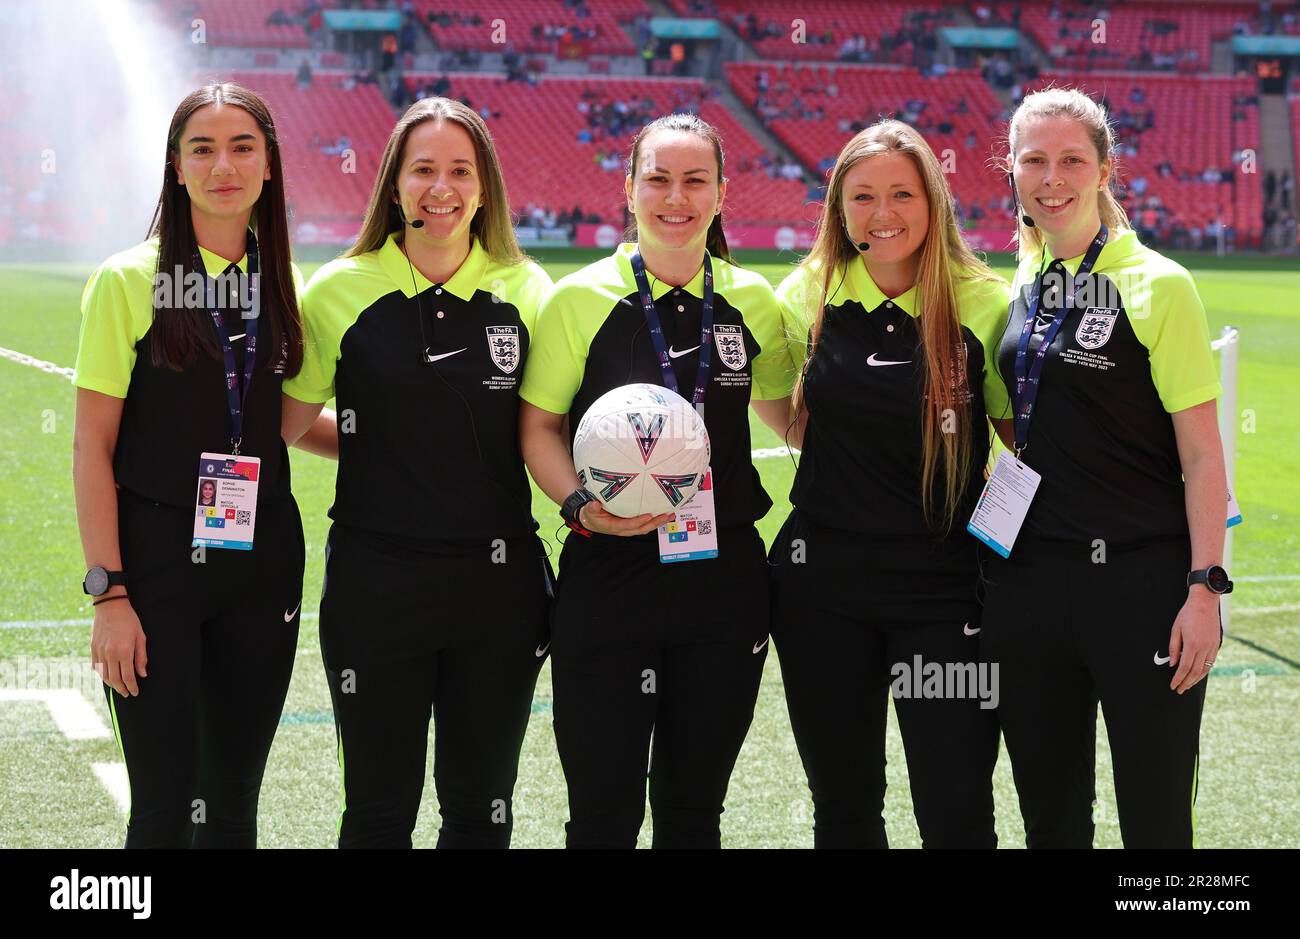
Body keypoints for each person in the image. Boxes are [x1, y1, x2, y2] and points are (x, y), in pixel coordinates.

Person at [280, 98, 554, 849]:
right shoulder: (338, 289)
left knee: (480, 807)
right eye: (423, 169)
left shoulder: (529, 291)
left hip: (497, 588)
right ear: (394, 185)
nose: (442, 187)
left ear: (485, 184)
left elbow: (545, 433)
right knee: (376, 810)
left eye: (460, 170)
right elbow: (289, 424)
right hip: (376, 586)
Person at [519, 113, 795, 848]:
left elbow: (793, 418)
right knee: (603, 815)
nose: (677, 197)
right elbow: (538, 426)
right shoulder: (578, 299)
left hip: (722, 575)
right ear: (630, 189)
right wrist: (581, 507)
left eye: (695, 179)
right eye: (659, 179)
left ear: (722, 193)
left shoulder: (754, 303)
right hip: (608, 575)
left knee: (694, 811)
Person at [987, 87, 1228, 848]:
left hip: (1141, 587)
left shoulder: (1160, 283)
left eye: (1071, 160)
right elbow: (1019, 425)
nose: (1051, 177)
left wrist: (1205, 588)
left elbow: (1201, 454)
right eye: (1034, 160)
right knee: (1051, 818)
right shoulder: (1022, 283)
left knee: (1156, 819)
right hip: (1030, 586)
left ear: (1104, 169)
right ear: (1013, 171)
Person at [72, 83, 306, 848]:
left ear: (269, 164)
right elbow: (91, 446)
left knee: (233, 806)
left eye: (242, 147)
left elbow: (287, 423)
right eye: (201, 149)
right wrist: (109, 592)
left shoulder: (282, 281)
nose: (223, 165)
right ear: (175, 168)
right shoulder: (129, 279)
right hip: (156, 563)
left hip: (263, 561)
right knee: (165, 809)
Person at [765, 120, 1009, 848]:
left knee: (957, 804)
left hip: (946, 591)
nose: (883, 213)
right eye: (862, 195)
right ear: (838, 206)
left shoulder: (985, 303)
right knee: (842, 804)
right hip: (820, 591)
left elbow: (1020, 448)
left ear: (933, 201)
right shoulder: (804, 293)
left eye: (902, 193)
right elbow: (789, 416)